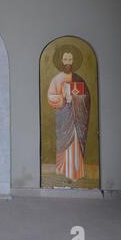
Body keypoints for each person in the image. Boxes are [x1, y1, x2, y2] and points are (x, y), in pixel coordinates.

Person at [47, 50, 90, 181]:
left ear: (74, 61)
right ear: (61, 61)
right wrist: (63, 98)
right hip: (63, 115)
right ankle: (62, 169)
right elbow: (50, 97)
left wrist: (77, 99)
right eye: (65, 59)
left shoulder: (79, 79)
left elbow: (86, 98)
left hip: (76, 117)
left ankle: (75, 170)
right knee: (63, 142)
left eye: (70, 60)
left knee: (75, 142)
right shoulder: (56, 79)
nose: (68, 63)